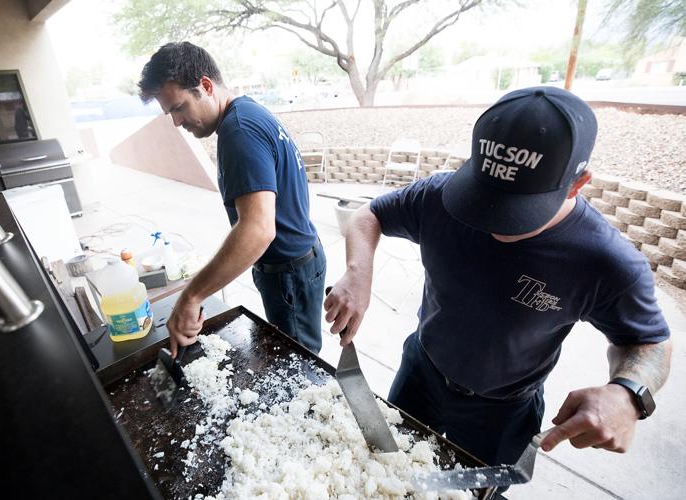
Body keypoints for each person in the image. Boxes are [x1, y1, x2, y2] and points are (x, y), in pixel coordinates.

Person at [324, 87, 672, 471]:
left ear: (577, 183)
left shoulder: (605, 260)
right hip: (421, 371)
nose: (492, 221)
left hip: (504, 409)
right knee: (386, 468)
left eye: (517, 209)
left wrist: (629, 393)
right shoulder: (438, 197)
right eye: (484, 197)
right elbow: (368, 215)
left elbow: (648, 340)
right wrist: (358, 274)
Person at [138, 42, 326, 356]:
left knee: (299, 367)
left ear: (206, 86)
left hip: (289, 272)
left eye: (179, 107)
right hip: (299, 260)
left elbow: (258, 229)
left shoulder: (238, 132)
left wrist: (191, 296)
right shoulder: (249, 112)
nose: (176, 122)